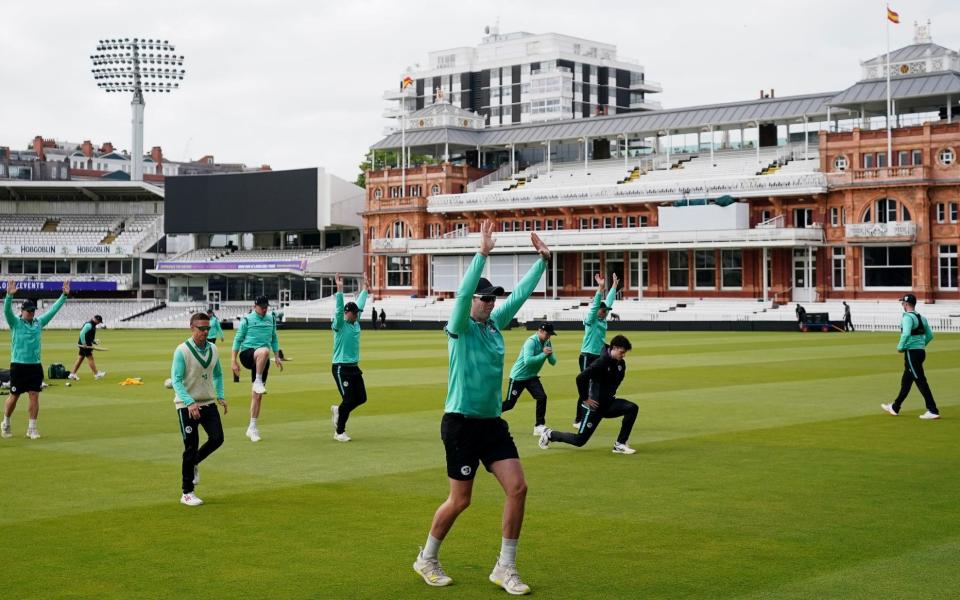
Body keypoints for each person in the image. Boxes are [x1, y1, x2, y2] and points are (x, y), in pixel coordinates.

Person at [413, 220, 550, 595]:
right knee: (460, 500)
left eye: (492, 299)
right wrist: (481, 255)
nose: (490, 303)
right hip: (460, 424)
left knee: (518, 488)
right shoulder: (460, 327)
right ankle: (426, 558)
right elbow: (460, 300)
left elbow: (518, 297)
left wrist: (542, 262)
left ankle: (505, 567)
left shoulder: (493, 327)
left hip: (492, 424)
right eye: (485, 298)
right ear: (473, 298)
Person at [539, 335, 638, 455]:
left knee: (632, 408)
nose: (623, 355)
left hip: (609, 404)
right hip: (594, 408)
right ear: (614, 348)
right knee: (579, 441)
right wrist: (585, 398)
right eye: (622, 352)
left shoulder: (620, 364)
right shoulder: (601, 362)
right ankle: (549, 434)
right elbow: (580, 378)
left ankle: (620, 444)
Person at [2, 280, 70, 440]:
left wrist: (64, 295)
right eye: (29, 311)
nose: (31, 313)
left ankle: (31, 429)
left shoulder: (38, 323)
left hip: (34, 366)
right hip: (18, 365)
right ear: (22, 311)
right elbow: (6, 312)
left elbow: (53, 310)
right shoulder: (15, 323)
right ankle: (6, 422)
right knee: (14, 396)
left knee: (34, 395)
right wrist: (9, 296)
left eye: (33, 310)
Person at [172, 312, 227, 506]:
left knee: (217, 438)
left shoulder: (213, 349)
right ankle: (187, 492)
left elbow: (218, 374)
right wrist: (189, 402)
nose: (205, 332)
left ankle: (195, 461)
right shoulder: (182, 350)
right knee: (190, 446)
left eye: (207, 328)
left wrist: (220, 395)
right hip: (186, 405)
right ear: (192, 328)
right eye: (201, 329)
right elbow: (177, 381)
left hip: (207, 402)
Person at [231, 296, 282, 442]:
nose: (264, 309)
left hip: (262, 360)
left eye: (266, 306)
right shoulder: (247, 320)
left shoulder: (271, 319)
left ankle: (252, 427)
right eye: (261, 306)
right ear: (255, 306)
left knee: (257, 396)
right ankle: (257, 380)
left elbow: (274, 337)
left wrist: (277, 356)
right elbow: (237, 339)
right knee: (264, 351)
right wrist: (233, 361)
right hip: (247, 354)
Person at [882, 294, 940, 420]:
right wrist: (920, 345)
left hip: (911, 353)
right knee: (906, 382)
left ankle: (933, 410)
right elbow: (930, 336)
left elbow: (906, 334)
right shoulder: (921, 317)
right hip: (920, 352)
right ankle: (895, 407)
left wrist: (900, 347)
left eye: (903, 303)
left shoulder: (907, 317)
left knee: (920, 381)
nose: (902, 305)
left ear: (906, 304)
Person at [574, 272, 618, 426]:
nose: (605, 312)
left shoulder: (603, 319)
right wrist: (600, 288)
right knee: (585, 385)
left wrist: (613, 287)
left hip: (598, 357)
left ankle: (593, 412)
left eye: (606, 310)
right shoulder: (591, 319)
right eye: (603, 310)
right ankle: (578, 419)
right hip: (587, 355)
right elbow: (595, 306)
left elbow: (609, 302)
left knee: (597, 385)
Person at [330, 273, 369, 442]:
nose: (357, 315)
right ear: (348, 313)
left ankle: (338, 410)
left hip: (354, 367)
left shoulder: (356, 322)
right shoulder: (339, 324)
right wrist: (339, 289)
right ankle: (339, 432)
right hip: (340, 367)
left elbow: (361, 303)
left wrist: (366, 288)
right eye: (354, 313)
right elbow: (339, 310)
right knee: (349, 399)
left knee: (361, 398)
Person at [501, 322, 557, 436]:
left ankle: (539, 425)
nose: (549, 337)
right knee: (509, 404)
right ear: (540, 331)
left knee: (542, 397)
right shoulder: (531, 342)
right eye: (547, 334)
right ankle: (487, 415)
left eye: (550, 334)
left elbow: (553, 362)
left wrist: (549, 354)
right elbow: (528, 361)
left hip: (531, 377)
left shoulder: (547, 342)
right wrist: (543, 354)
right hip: (518, 377)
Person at [68, 314, 106, 381]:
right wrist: (84, 343)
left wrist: (94, 341)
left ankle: (72, 374)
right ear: (96, 319)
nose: (99, 323)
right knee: (90, 358)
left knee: (80, 358)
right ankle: (96, 374)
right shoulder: (89, 325)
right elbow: (82, 333)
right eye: (99, 321)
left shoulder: (93, 325)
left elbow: (89, 336)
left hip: (86, 344)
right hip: (85, 345)